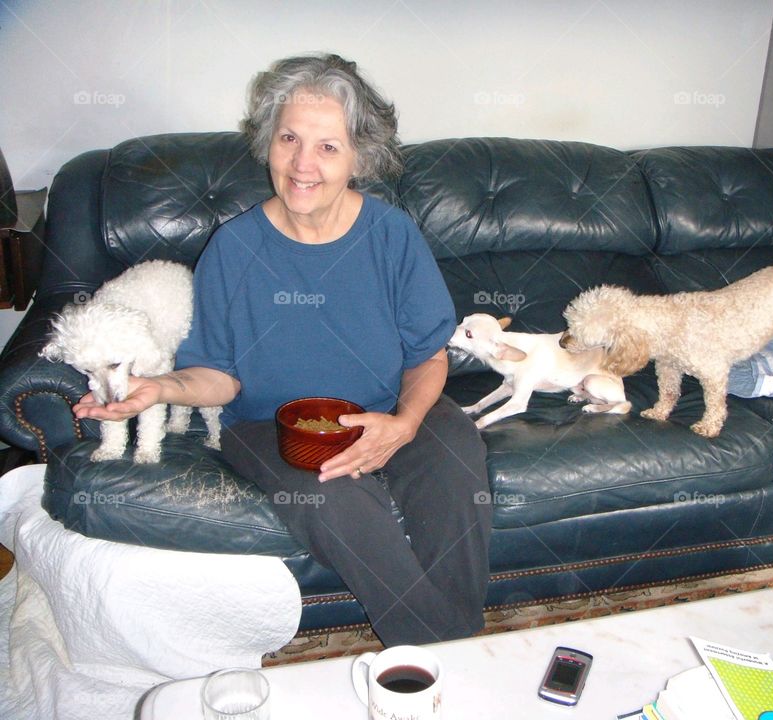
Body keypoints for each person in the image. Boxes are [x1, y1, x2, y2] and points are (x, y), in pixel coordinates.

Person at [73, 53, 492, 647]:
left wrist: (404, 423)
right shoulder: (235, 248)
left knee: (456, 462)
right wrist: (157, 389)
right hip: (269, 425)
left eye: (328, 147)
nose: (302, 164)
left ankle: (450, 645)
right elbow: (217, 375)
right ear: (268, 142)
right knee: (336, 500)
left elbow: (427, 355)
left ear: (359, 158)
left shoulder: (392, 235)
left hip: (386, 404)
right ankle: (448, 651)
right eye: (289, 138)